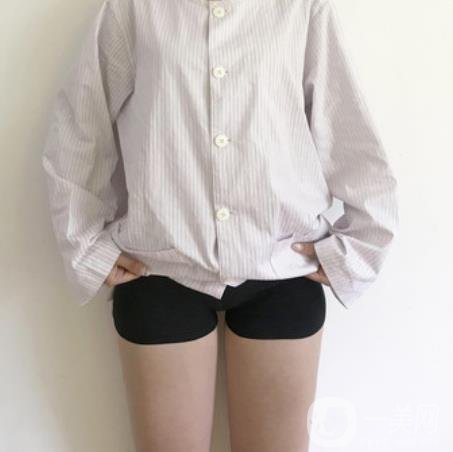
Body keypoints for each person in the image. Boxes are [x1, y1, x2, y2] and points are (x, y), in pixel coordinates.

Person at [41, 0, 399, 451]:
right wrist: (87, 246)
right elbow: (80, 124)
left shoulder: (301, 9)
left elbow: (346, 125)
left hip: (281, 267)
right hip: (161, 270)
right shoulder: (134, 9)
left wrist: (358, 249)